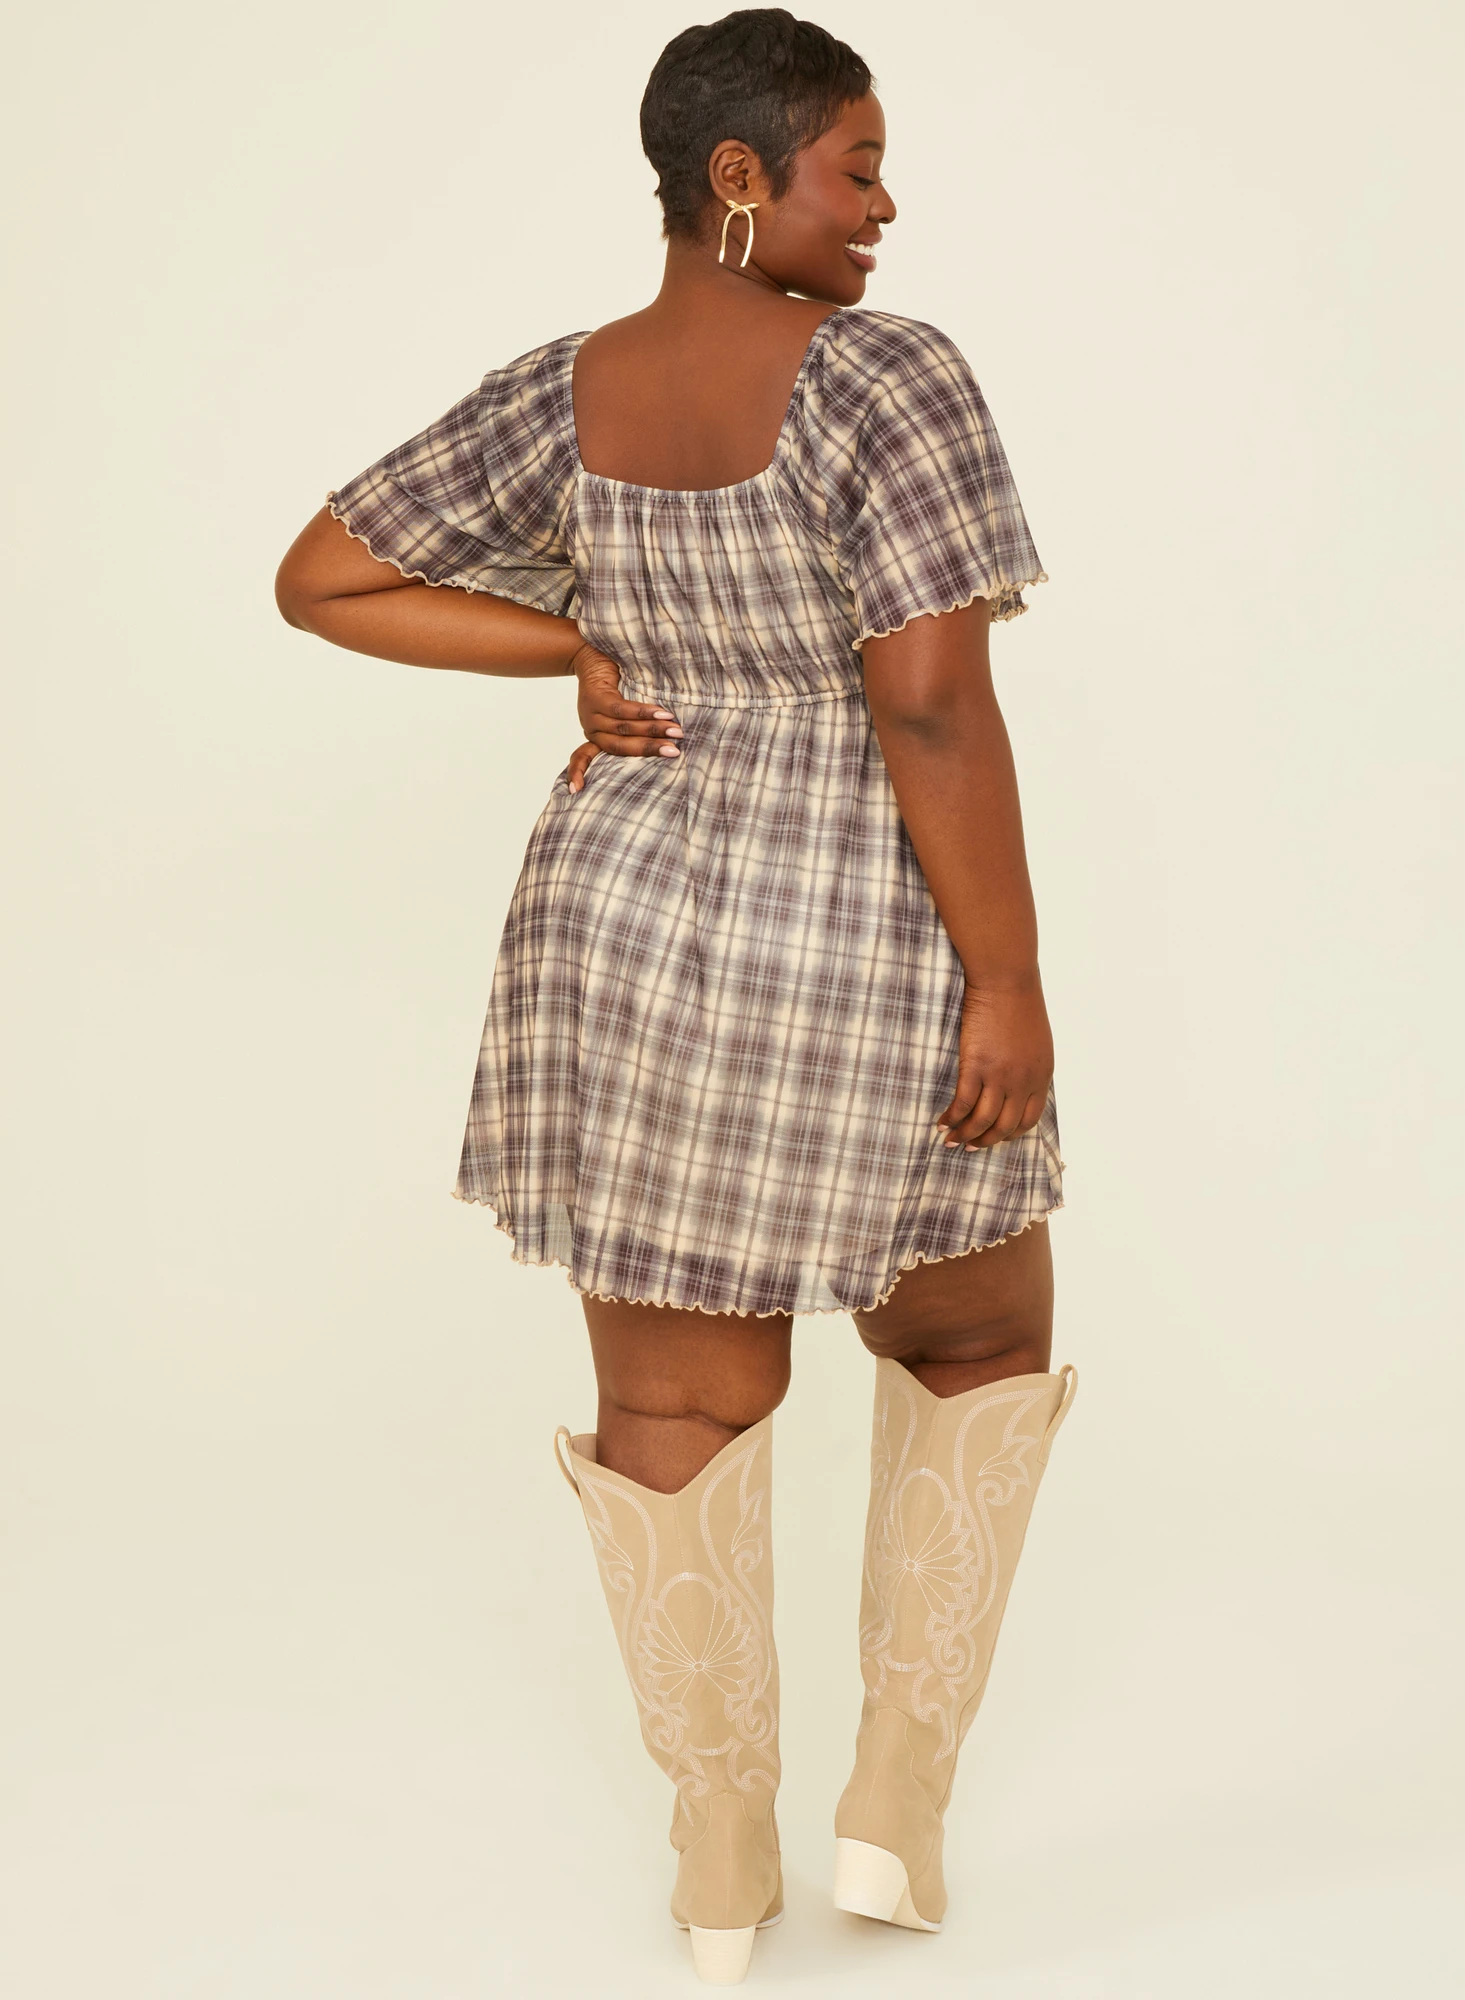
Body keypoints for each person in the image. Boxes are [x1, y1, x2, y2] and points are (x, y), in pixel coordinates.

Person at [276, 9, 1079, 1983]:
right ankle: (891, 1808)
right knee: (974, 1327)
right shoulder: (886, 378)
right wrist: (1005, 978)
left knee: (669, 1393)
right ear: (739, 176)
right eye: (854, 166)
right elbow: (925, 703)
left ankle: (717, 1860)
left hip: (622, 918)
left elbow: (323, 576)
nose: (882, 206)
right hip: (857, 912)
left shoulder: (558, 392)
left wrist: (583, 644)